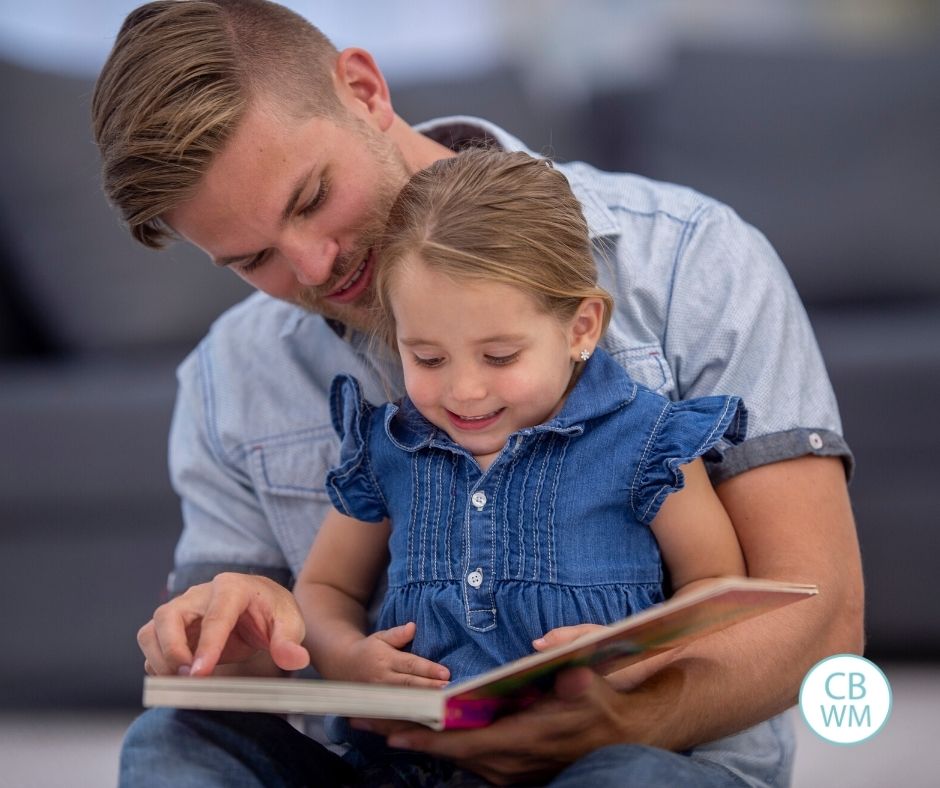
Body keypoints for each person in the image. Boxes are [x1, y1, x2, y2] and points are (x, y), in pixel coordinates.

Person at [92, 1, 863, 786]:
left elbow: (824, 613)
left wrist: (634, 716)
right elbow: (236, 675)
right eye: (255, 258)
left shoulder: (691, 260)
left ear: (363, 89)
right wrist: (238, 630)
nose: (315, 268)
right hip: (390, 770)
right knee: (169, 743)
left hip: (642, 767)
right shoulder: (231, 375)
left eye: (313, 197)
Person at [295, 147, 749, 761]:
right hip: (417, 761)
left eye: (501, 356)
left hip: (590, 756)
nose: (464, 390)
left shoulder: (645, 439)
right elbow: (324, 587)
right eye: (427, 358)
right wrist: (349, 658)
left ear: (581, 328)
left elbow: (717, 581)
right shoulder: (391, 445)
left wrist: (639, 655)